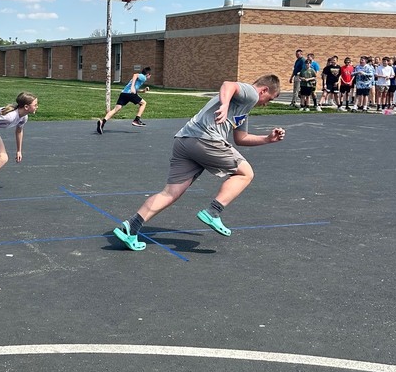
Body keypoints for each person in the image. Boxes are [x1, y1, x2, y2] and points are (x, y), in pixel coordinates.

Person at [113, 75, 285, 249]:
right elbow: (228, 84)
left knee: (170, 193)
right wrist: (224, 105)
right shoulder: (251, 94)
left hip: (185, 140)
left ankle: (130, 228)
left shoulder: (243, 109)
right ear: (264, 90)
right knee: (246, 173)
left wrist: (267, 139)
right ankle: (213, 211)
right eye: (268, 99)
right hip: (206, 139)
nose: (265, 104)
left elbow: (241, 138)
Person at [96, 66, 151, 133]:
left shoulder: (140, 79)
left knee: (115, 109)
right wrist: (133, 87)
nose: (149, 77)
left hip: (124, 94)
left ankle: (102, 122)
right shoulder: (143, 77)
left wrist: (143, 91)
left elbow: (134, 89)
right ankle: (137, 120)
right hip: (130, 94)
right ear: (148, 74)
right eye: (150, 76)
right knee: (143, 103)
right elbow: (135, 75)